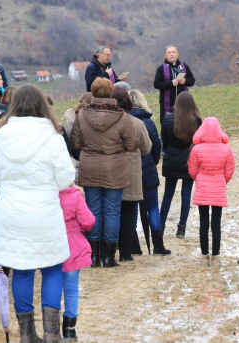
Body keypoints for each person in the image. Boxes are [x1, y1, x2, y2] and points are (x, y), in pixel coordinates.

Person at [0, 85, 75, 342]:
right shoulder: (53, 137)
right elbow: (66, 177)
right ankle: (53, 334)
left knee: (22, 271)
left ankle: (27, 334)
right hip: (44, 212)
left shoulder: (0, 136)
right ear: (41, 106)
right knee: (52, 269)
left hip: (12, 212)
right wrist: (47, 188)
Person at [70, 78, 139, 268]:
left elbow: (75, 143)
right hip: (115, 167)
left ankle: (93, 256)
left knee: (93, 210)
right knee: (112, 211)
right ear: (110, 93)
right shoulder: (122, 117)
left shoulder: (82, 115)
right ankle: (109, 257)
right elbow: (132, 145)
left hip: (90, 166)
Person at [129, 89, 171, 255]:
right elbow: (156, 146)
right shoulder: (149, 123)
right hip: (147, 169)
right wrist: (152, 163)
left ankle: (134, 246)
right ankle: (158, 246)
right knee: (153, 207)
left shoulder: (124, 121)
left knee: (131, 208)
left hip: (130, 171)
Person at [113, 87, 152, 262]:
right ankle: (126, 254)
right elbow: (146, 148)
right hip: (130, 173)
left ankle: (108, 251)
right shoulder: (137, 123)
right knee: (129, 214)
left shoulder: (105, 123)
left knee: (111, 213)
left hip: (109, 174)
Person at [188, 117, 235, 260]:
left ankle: (204, 251)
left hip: (202, 186)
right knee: (216, 221)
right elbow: (229, 171)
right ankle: (215, 251)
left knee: (203, 221)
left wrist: (200, 179)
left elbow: (192, 170)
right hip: (218, 187)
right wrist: (221, 180)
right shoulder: (226, 149)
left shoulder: (196, 149)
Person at [160, 91, 202, 238]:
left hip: (171, 159)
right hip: (188, 160)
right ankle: (181, 229)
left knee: (168, 195)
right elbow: (198, 142)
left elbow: (164, 142)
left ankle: (161, 225)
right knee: (186, 194)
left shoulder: (169, 119)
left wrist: (168, 151)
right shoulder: (197, 120)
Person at [59, 186, 95, 340]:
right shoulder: (74, 195)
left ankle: (51, 328)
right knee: (72, 288)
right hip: (72, 246)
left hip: (51, 244)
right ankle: (69, 330)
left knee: (51, 285)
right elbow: (88, 221)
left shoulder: (45, 191)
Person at [154, 45, 196, 124]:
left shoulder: (184, 66)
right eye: (169, 53)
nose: (172, 54)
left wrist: (185, 81)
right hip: (167, 103)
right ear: (166, 56)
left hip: (183, 102)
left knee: (184, 123)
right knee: (168, 124)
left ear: (177, 54)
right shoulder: (161, 69)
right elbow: (156, 84)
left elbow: (192, 80)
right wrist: (171, 83)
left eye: (173, 52)